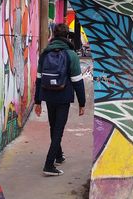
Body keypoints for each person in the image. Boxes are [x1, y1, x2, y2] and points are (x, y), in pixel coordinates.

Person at [34, 23, 86, 176]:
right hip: (63, 96)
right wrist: (82, 103)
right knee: (58, 130)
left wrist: (38, 101)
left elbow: (38, 79)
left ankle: (58, 155)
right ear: (67, 36)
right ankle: (49, 165)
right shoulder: (71, 55)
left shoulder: (44, 53)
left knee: (53, 126)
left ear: (54, 35)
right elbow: (77, 81)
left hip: (48, 95)